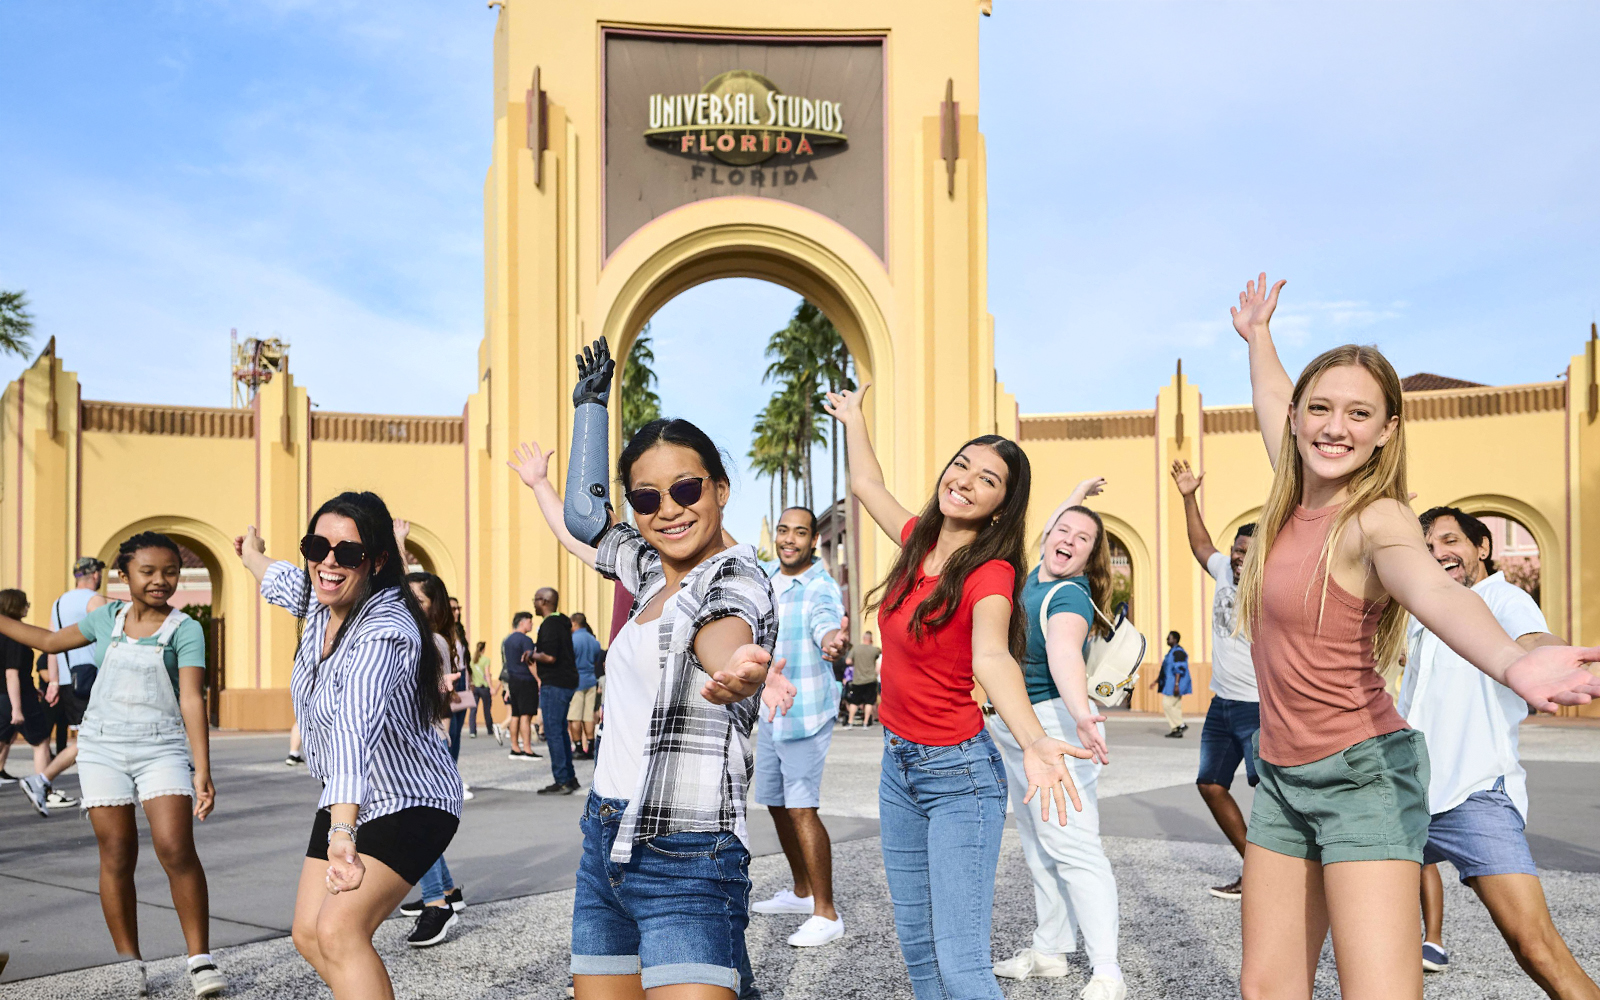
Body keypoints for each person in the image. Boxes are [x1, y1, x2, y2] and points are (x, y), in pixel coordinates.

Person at [1228, 273, 1600, 1000]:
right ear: (1301, 417)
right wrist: (1260, 337)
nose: (1336, 427)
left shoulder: (1379, 519)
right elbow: (1271, 395)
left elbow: (1433, 592)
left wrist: (1511, 663)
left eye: (1359, 413)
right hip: (1281, 774)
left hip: (1362, 778)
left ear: (1387, 430)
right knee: (1266, 988)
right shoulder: (1291, 491)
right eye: (1322, 408)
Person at [507, 336, 777, 1000]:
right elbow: (581, 523)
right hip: (606, 835)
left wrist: (736, 665)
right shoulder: (653, 566)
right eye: (648, 499)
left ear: (720, 488)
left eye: (687, 489)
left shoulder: (736, 574)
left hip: (688, 852)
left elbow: (720, 628)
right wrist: (589, 414)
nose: (670, 509)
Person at [824, 381, 1091, 1000]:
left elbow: (993, 656)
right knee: (917, 951)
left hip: (957, 776)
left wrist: (1033, 741)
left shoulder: (990, 572)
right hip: (900, 765)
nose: (965, 480)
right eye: (961, 465)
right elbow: (866, 486)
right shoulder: (918, 539)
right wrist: (855, 417)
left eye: (987, 479)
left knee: (960, 961)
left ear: (1001, 507)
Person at [235, 493, 461, 1000]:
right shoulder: (322, 598)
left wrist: (342, 832)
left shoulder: (383, 631)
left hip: (411, 799)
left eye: (348, 552)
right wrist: (250, 552)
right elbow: (279, 578)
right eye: (317, 546)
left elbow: (353, 732)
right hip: (349, 796)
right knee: (309, 933)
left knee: (339, 931)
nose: (329, 562)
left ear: (378, 560)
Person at [0, 533, 224, 998]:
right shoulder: (105, 617)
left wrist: (202, 768)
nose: (161, 581)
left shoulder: (185, 629)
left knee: (175, 848)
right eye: (149, 572)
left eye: (170, 572)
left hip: (161, 748)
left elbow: (190, 699)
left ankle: (200, 960)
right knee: (117, 853)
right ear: (125, 575)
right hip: (101, 747)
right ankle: (130, 963)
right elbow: (46, 640)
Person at [1396, 506, 1600, 997]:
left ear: (1481, 547)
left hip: (1474, 794)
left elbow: (1532, 638)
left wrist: (1553, 658)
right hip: (1404, 794)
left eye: (1450, 541)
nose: (1439, 554)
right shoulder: (1425, 611)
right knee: (1384, 946)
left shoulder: (1501, 598)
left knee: (1534, 945)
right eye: (1426, 548)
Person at [989, 480, 1129, 1000]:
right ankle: (1049, 949)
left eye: (1083, 539)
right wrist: (1073, 496)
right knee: (1039, 846)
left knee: (1074, 849)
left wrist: (1082, 716)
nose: (1068, 539)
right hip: (1018, 729)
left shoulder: (1068, 594)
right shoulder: (1031, 577)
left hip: (1053, 726)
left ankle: (1108, 971)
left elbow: (1065, 653)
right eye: (1062, 530)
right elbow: (1056, 523)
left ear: (1092, 557)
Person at [750, 505, 850, 948]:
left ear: (814, 540)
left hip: (807, 711)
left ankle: (826, 913)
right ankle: (800, 891)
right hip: (773, 710)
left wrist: (832, 641)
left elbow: (826, 622)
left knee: (801, 807)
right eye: (784, 531)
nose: (790, 539)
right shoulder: (768, 578)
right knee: (774, 801)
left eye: (800, 533)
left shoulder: (820, 587)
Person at [1170, 458, 1259, 899]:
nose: (1239, 558)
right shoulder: (1226, 570)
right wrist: (1189, 497)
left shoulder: (1274, 586)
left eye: (1248, 553)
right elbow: (1201, 543)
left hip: (1263, 707)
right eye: (1238, 550)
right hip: (1224, 703)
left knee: (1273, 796)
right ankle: (1257, 870)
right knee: (1210, 783)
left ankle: (1287, 876)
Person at [398, 570, 470, 947]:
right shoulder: (427, 639)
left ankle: (436, 903)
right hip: (420, 742)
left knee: (413, 829)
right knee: (417, 825)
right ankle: (443, 889)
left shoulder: (432, 642)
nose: (411, 604)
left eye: (419, 600)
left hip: (421, 746)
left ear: (434, 605)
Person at [42, 556, 108, 789]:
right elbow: (108, 638)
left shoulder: (59, 602)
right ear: (96, 575)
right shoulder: (95, 599)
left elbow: (50, 644)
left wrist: (54, 682)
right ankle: (42, 780)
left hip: (69, 680)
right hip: (93, 678)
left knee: (89, 735)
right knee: (95, 736)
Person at [532, 587, 580, 794]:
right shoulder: (562, 623)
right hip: (566, 682)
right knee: (559, 731)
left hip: (555, 683)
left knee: (553, 732)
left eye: (535, 600)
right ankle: (569, 777)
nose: (533, 603)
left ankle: (562, 780)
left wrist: (532, 655)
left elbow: (550, 656)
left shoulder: (550, 624)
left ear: (543, 601)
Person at [501, 612, 542, 760]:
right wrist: (538, 679)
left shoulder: (508, 640)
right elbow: (530, 662)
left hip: (513, 680)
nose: (531, 625)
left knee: (515, 715)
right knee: (526, 716)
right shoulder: (526, 640)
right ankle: (528, 749)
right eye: (530, 622)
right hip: (526, 679)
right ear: (522, 622)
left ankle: (515, 747)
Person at [568, 613, 601, 759]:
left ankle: (579, 748)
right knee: (588, 716)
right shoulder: (593, 640)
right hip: (591, 680)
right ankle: (591, 747)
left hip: (576, 681)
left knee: (575, 716)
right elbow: (595, 660)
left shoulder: (572, 639)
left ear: (574, 623)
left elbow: (569, 661)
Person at [1152, 632, 1190, 737]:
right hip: (1171, 684)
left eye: (1169, 638)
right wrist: (1156, 681)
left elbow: (1179, 669)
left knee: (1167, 704)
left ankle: (1180, 725)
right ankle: (1176, 730)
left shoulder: (1178, 652)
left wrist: (1177, 684)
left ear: (1175, 640)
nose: (1167, 640)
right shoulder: (1171, 652)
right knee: (1176, 706)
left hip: (1175, 684)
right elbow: (1165, 669)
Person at [844, 630, 882, 727]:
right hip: (870, 679)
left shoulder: (856, 649)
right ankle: (865, 723)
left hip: (857, 679)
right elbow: (880, 654)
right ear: (871, 640)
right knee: (869, 702)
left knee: (854, 702)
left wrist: (856, 663)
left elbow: (848, 661)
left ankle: (850, 722)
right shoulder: (874, 650)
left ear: (863, 639)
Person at [468, 640, 496, 740]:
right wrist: (492, 687)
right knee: (487, 709)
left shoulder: (472, 660)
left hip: (474, 687)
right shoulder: (486, 659)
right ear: (483, 649)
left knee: (473, 710)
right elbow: (487, 674)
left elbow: (470, 674)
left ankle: (472, 731)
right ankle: (489, 729)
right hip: (484, 687)